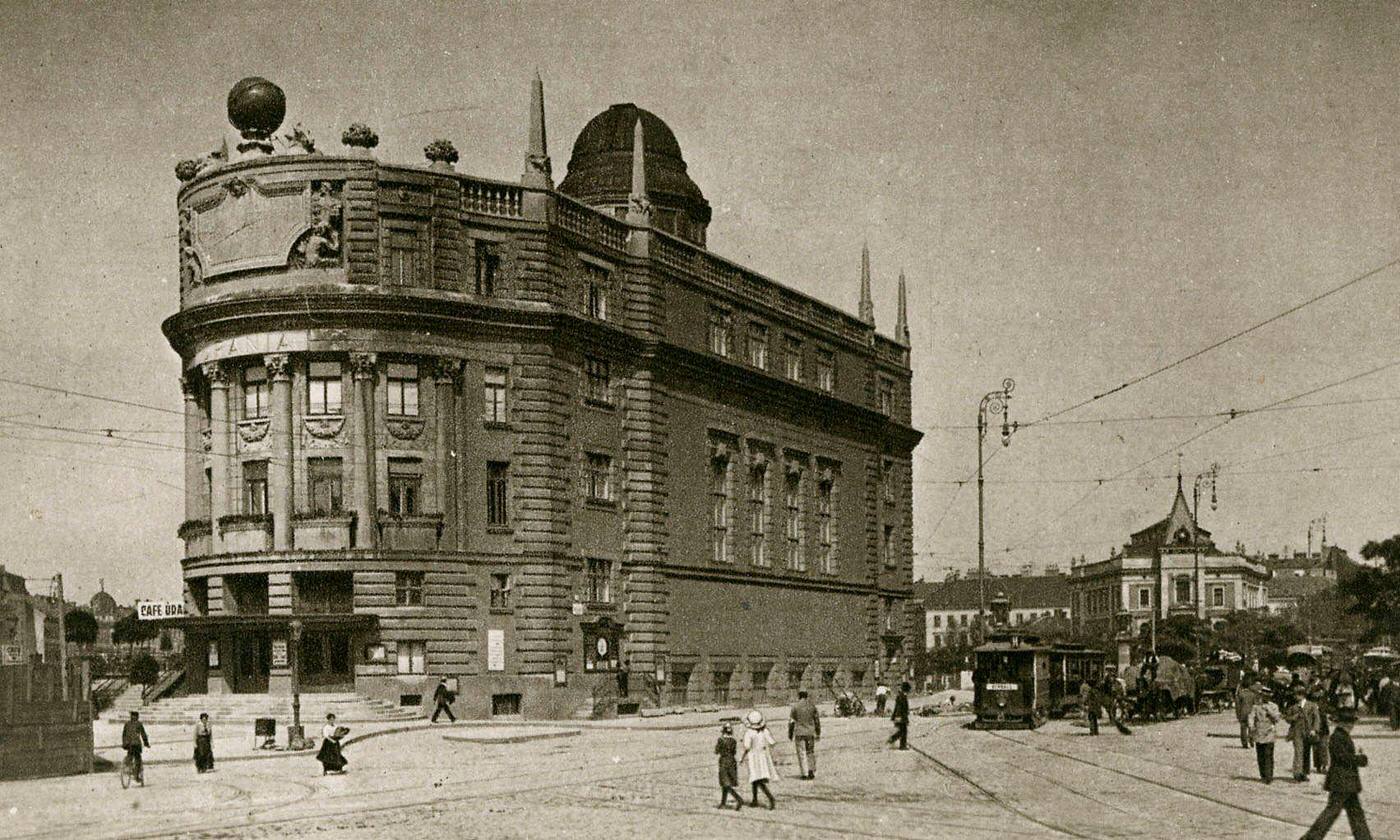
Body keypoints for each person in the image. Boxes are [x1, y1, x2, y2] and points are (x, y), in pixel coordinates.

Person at [1300, 708, 1372, 840]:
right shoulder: (1337, 737)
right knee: (1332, 812)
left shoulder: (1341, 736)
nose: (1351, 726)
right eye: (1349, 723)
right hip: (1342, 781)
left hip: (1346, 781)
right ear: (1342, 723)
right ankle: (1310, 838)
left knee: (1354, 813)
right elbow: (1343, 758)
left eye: (1351, 723)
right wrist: (1360, 759)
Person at [739, 710, 777, 810]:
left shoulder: (749, 733)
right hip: (763, 757)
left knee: (757, 779)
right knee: (756, 780)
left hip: (753, 757)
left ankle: (770, 798)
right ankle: (754, 800)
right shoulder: (765, 731)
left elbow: (747, 747)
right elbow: (772, 742)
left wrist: (742, 758)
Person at [1286, 685, 1321, 782]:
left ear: (1302, 695)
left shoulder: (1312, 705)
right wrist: (1294, 717)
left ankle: (1304, 773)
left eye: (1296, 695)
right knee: (1298, 752)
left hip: (1308, 732)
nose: (1295, 697)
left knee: (1306, 752)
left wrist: (1314, 729)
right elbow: (1287, 718)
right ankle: (1297, 773)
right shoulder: (1293, 707)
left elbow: (1316, 719)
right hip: (1297, 732)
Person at [1250, 685, 1283, 784]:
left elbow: (1277, 719)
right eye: (1263, 696)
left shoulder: (1274, 706)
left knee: (1268, 755)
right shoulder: (1256, 706)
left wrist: (1269, 711)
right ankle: (1263, 774)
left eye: (1267, 696)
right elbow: (1251, 716)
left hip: (1269, 733)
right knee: (1260, 755)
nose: (1265, 698)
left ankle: (1269, 776)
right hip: (1259, 732)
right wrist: (1251, 726)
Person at [788, 690, 821, 780]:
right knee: (810, 752)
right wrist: (818, 732)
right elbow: (817, 721)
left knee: (801, 753)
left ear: (799, 696)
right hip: (810, 733)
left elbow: (791, 722)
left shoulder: (795, 707)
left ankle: (804, 774)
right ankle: (811, 771)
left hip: (799, 733)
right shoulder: (812, 706)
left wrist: (790, 734)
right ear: (806, 696)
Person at [714, 723, 743, 810]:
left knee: (725, 783)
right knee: (726, 783)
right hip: (732, 761)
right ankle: (723, 803)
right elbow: (734, 752)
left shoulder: (721, 740)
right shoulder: (733, 740)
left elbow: (716, 751)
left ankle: (738, 799)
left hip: (724, 761)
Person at [121, 711, 150, 784]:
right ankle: (136, 776)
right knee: (138, 759)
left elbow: (123, 734)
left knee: (129, 755)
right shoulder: (139, 724)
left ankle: (127, 766)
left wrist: (124, 743)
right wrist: (146, 744)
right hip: (136, 744)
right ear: (137, 717)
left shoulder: (127, 724)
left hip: (128, 744)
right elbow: (143, 735)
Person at [1235, 678, 1258, 749]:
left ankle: (1244, 743)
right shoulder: (1253, 694)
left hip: (1243, 712)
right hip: (1251, 712)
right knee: (1251, 727)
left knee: (1243, 728)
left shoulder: (1240, 694)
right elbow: (1255, 704)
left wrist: (1238, 714)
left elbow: (1238, 705)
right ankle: (1251, 741)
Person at [888, 681, 911, 750]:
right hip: (901, 716)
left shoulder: (900, 695)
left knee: (901, 731)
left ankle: (893, 739)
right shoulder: (902, 696)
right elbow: (900, 708)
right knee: (904, 731)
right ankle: (901, 745)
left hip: (900, 715)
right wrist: (899, 717)